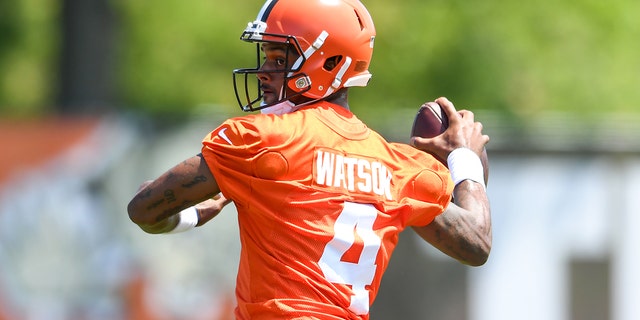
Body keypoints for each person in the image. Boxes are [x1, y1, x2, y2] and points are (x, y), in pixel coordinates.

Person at [127, 0, 491, 319]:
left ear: (331, 61)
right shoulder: (398, 167)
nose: (266, 72)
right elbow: (476, 242)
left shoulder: (263, 140)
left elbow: (143, 209)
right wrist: (465, 159)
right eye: (266, 57)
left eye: (280, 59)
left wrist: (192, 214)